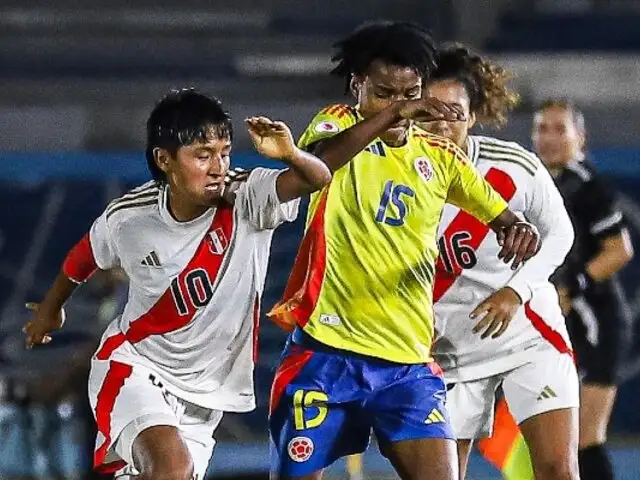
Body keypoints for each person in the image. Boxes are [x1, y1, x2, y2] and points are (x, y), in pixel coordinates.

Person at [267, 22, 541, 480]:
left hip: (407, 365)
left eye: (409, 93)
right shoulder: (336, 124)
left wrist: (519, 231)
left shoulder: (438, 155)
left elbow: (505, 218)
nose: (399, 108)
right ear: (357, 86)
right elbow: (318, 164)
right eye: (383, 94)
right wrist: (393, 115)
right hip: (327, 354)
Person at [22, 88, 332, 480]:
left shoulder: (248, 196)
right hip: (134, 366)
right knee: (171, 468)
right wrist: (51, 310)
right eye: (203, 156)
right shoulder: (129, 217)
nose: (218, 166)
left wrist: (289, 153)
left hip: (204, 399)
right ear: (164, 159)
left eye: (225, 152)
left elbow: (318, 178)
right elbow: (83, 256)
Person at [417, 44, 579, 480]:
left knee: (557, 470)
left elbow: (560, 234)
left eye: (454, 112)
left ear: (472, 116)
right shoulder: (389, 177)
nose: (441, 124)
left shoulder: (513, 167)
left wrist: (515, 290)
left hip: (526, 336)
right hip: (446, 350)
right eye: (429, 112)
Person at [533, 99, 634, 480]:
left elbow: (620, 249)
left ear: (581, 136)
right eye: (542, 129)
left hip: (598, 325)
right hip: (563, 324)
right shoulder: (539, 182)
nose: (550, 138)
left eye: (560, 129)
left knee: (584, 438)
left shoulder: (589, 187)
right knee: (559, 440)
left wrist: (571, 287)